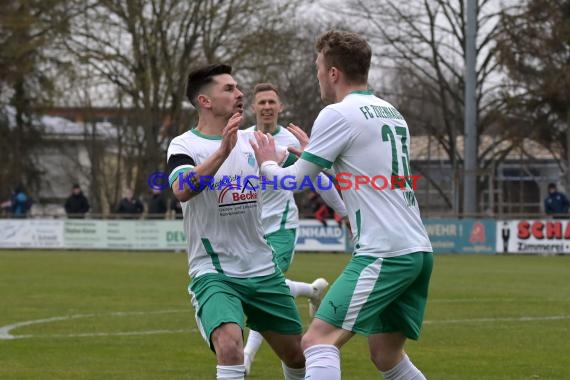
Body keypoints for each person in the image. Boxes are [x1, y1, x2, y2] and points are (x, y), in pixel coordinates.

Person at [251, 30, 433, 380]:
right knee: (387, 356)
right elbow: (362, 172)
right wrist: (320, 157)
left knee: (317, 341)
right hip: (417, 250)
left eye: (319, 66)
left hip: (384, 252)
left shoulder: (337, 113)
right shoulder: (391, 112)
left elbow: (295, 181)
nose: (317, 73)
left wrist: (266, 163)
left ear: (333, 72)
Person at [166, 64, 305, 380]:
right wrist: (222, 152)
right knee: (230, 348)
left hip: (262, 268)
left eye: (238, 87)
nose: (240, 93)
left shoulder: (254, 141)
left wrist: (311, 157)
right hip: (214, 272)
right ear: (205, 101)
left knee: (298, 356)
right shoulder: (183, 145)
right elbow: (182, 189)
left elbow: (294, 173)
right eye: (229, 89)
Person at [243, 83, 348, 375]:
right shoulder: (242, 140)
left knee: (262, 287)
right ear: (253, 108)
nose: (266, 106)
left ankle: (246, 355)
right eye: (261, 101)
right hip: (250, 231)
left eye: (271, 102)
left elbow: (319, 180)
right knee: (262, 288)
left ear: (280, 107)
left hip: (281, 228)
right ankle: (312, 291)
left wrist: (343, 212)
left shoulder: (290, 141)